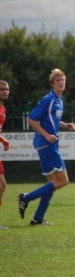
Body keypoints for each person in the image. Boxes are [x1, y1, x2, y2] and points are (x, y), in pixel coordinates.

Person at [18, 69, 75, 226]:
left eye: (63, 79)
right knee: (63, 181)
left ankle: (37, 218)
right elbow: (32, 119)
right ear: (52, 83)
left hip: (49, 144)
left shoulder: (59, 99)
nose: (61, 82)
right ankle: (27, 197)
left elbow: (52, 119)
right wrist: (46, 135)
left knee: (52, 183)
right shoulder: (48, 99)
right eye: (58, 80)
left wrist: (66, 125)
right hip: (47, 144)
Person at [0, 80, 11, 230]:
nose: (5, 91)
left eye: (6, 89)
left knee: (2, 185)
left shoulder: (3, 109)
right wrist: (3, 140)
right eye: (2, 89)